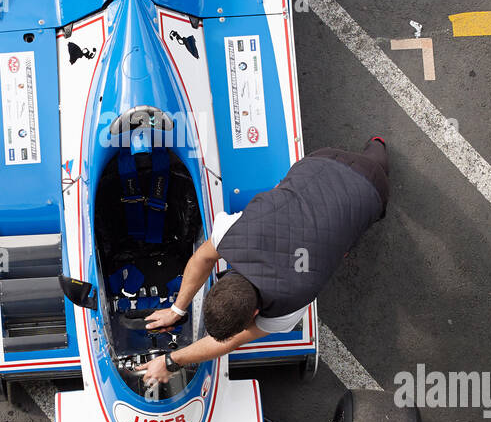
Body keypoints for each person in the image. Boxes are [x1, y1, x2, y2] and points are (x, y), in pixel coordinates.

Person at [142, 139, 390, 386]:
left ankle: (379, 145)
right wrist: (176, 311)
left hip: (367, 183)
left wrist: (172, 359)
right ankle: (375, 145)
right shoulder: (232, 232)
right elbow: (202, 258)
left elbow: (234, 341)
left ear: (256, 313)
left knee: (375, 166)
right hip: (320, 161)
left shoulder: (290, 306)